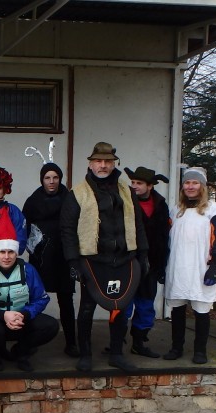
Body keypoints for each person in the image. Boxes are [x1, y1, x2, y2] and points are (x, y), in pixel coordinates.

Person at [60, 142, 147, 372]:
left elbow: (138, 224)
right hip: (93, 260)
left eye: (107, 161)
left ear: (113, 164)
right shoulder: (77, 193)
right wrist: (73, 261)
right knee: (87, 308)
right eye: (98, 161)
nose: (103, 165)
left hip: (123, 259)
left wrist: (143, 254)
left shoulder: (126, 191)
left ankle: (116, 354)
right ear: (90, 164)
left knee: (120, 308)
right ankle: (85, 355)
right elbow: (67, 229)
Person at [164, 166, 216, 364]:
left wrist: (214, 267)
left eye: (195, 183)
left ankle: (200, 351)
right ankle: (176, 347)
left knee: (201, 310)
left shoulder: (212, 210)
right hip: (178, 267)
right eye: (187, 183)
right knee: (177, 310)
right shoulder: (176, 210)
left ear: (202, 186)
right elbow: (167, 241)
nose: (190, 186)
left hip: (201, 267)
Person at [0, 239, 59, 372]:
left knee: (50, 326)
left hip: (21, 318)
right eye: (2, 252)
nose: (6, 256)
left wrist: (24, 314)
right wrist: (3, 315)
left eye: (11, 252)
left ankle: (21, 352)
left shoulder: (28, 270)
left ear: (16, 253)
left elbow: (41, 298)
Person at [22, 161, 79, 358]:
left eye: (55, 177)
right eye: (47, 178)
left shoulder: (70, 199)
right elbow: (24, 227)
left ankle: (71, 343)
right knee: (32, 299)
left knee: (66, 300)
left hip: (64, 257)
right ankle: (28, 342)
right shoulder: (33, 201)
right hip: (41, 258)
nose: (52, 181)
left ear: (60, 179)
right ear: (42, 180)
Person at [123, 166, 171, 358]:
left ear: (150, 186)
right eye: (133, 182)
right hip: (128, 263)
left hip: (151, 265)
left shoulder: (160, 205)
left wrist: (161, 265)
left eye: (139, 183)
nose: (134, 186)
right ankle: (116, 341)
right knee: (123, 304)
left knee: (145, 305)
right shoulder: (125, 203)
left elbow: (164, 237)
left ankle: (139, 342)